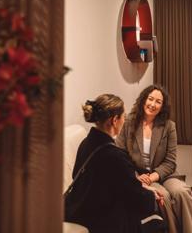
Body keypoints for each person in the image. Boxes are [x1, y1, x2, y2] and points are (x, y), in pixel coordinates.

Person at [65, 94, 163, 233]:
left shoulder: (86, 143)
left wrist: (141, 188)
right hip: (100, 219)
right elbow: (136, 197)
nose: (125, 120)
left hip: (80, 209)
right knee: (157, 223)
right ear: (114, 120)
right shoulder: (114, 156)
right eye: (123, 116)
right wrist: (152, 196)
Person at [116, 85, 192, 233]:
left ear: (162, 106)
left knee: (182, 192)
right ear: (143, 100)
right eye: (150, 99)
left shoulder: (169, 126)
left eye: (158, 102)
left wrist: (153, 176)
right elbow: (120, 156)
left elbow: (170, 161)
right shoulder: (128, 123)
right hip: (139, 175)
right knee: (163, 196)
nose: (153, 104)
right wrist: (135, 177)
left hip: (164, 174)